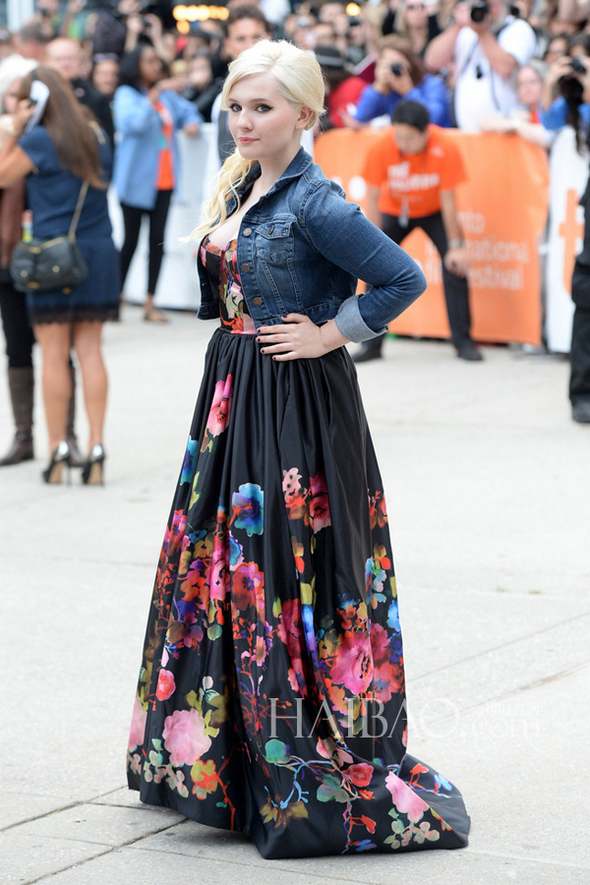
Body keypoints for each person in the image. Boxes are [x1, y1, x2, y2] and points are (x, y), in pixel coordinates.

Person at [126, 38, 471, 859]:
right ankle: (223, 759)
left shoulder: (315, 200)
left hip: (294, 405)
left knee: (283, 570)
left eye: (263, 108)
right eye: (237, 107)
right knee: (219, 564)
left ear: (305, 114)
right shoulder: (247, 181)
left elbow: (401, 280)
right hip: (235, 395)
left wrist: (330, 335)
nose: (244, 121)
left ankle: (288, 757)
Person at [0, 65, 119, 483]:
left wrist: (13, 128)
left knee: (52, 352)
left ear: (39, 101)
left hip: (54, 256)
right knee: (91, 351)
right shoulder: (96, 134)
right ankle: (97, 446)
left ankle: (56, 451)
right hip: (99, 250)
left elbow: (1, 173)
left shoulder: (38, 138)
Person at [355, 100, 482, 362]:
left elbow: (449, 202)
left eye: (410, 138)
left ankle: (463, 342)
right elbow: (374, 198)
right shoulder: (382, 146)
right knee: (375, 270)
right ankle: (372, 345)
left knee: (456, 266)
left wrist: (456, 247)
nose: (403, 143)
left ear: (426, 132)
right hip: (395, 210)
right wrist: (373, 244)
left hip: (433, 211)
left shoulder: (445, 146)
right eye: (399, 136)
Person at [113, 45, 201, 322]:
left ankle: (150, 302)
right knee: (129, 241)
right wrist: (153, 96)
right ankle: (114, 298)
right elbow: (132, 125)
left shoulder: (166, 97)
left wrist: (191, 123)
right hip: (135, 182)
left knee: (157, 243)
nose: (154, 65)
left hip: (164, 180)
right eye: (148, 60)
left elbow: (188, 112)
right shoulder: (127, 95)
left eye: (155, 60)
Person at [425, 0, 536, 131]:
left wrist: (482, 32)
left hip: (505, 132)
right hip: (466, 132)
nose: (488, 9)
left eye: (490, 5)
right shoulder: (466, 31)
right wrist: (458, 25)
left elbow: (505, 68)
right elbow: (432, 62)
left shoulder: (518, 28)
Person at [353, 35, 451, 127]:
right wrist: (378, 88)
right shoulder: (387, 91)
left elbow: (433, 119)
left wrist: (409, 92)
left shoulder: (432, 84)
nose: (392, 70)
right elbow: (360, 118)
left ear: (410, 63)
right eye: (387, 65)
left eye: (396, 64)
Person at [45, 37, 115, 151]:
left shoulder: (95, 98)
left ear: (81, 62)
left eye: (70, 58)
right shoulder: (40, 94)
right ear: (46, 62)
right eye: (58, 59)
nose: (65, 64)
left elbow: (107, 143)